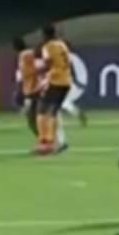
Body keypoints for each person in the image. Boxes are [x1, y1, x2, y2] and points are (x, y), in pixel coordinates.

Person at [36, 24, 74, 155]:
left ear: (45, 35)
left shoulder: (47, 47)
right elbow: (69, 62)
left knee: (43, 111)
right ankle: (61, 142)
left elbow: (47, 63)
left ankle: (48, 143)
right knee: (54, 112)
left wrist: (38, 70)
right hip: (66, 81)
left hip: (55, 81)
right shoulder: (62, 45)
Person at [13, 36, 42, 137]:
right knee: (34, 119)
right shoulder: (27, 54)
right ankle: (44, 140)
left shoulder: (24, 55)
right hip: (34, 89)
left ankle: (45, 140)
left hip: (32, 90)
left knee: (32, 120)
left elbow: (24, 74)